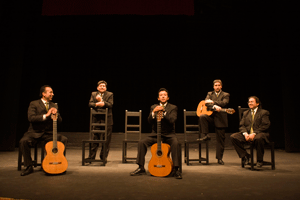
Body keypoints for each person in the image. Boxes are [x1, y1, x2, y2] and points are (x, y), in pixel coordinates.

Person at [130, 88, 182, 179]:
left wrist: (164, 112)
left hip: (169, 134)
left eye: (165, 95)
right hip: (155, 134)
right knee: (142, 142)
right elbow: (149, 121)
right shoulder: (153, 107)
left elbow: (172, 120)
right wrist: (154, 112)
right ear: (158, 98)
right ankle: (141, 167)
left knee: (176, 143)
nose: (163, 96)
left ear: (168, 97)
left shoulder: (173, 107)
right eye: (161, 95)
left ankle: (176, 169)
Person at [19, 85, 68, 176]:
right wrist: (47, 115)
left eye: (52, 92)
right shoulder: (34, 104)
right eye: (50, 92)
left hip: (48, 133)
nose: (52, 94)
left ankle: (56, 162)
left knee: (63, 139)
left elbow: (60, 121)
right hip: (35, 132)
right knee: (23, 141)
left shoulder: (54, 105)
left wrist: (56, 115)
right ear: (43, 94)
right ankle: (29, 166)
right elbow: (31, 118)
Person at [230, 96, 270, 168]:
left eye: (252, 102)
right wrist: (245, 134)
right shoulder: (246, 113)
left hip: (260, 133)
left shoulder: (264, 112)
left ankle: (259, 161)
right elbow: (241, 125)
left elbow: (265, 125)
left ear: (257, 103)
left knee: (258, 138)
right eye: (249, 102)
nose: (250, 103)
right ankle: (246, 155)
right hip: (248, 134)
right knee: (233, 137)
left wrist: (254, 134)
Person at [198, 79, 230, 165]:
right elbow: (206, 103)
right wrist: (215, 106)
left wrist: (213, 102)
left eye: (219, 85)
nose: (217, 87)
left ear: (221, 86)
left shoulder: (225, 94)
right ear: (213, 86)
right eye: (215, 85)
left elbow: (224, 103)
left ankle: (219, 158)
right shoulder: (210, 93)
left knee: (220, 140)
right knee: (202, 116)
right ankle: (206, 135)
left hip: (221, 119)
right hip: (211, 116)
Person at [88, 80, 113, 161]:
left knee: (106, 139)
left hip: (107, 119)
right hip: (96, 119)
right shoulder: (93, 94)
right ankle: (91, 157)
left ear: (106, 88)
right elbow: (90, 104)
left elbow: (110, 104)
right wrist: (97, 104)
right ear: (97, 87)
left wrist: (102, 102)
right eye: (100, 86)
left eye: (104, 86)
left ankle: (103, 157)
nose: (102, 87)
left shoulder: (110, 94)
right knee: (94, 138)